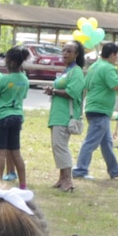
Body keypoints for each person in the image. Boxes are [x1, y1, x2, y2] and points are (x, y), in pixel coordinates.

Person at [39, 40, 86, 192]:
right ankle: (61, 178)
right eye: (64, 50)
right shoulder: (67, 70)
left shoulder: (76, 72)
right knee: (56, 146)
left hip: (66, 115)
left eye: (69, 51)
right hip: (57, 114)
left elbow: (72, 92)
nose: (65, 53)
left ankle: (68, 180)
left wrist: (53, 91)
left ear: (76, 54)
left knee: (61, 146)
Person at [74, 41, 118, 180]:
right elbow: (115, 85)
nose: (117, 58)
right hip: (100, 110)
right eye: (116, 55)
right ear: (112, 54)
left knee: (106, 142)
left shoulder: (94, 66)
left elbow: (87, 85)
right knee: (91, 142)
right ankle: (80, 170)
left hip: (93, 107)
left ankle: (115, 169)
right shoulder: (108, 68)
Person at [0, 46, 31, 189]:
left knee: (0, 154)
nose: (4, 62)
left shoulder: (4, 79)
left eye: (6, 59)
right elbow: (23, 96)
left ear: (12, 62)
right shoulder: (25, 79)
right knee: (16, 153)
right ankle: (23, 184)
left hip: (1, 117)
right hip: (17, 116)